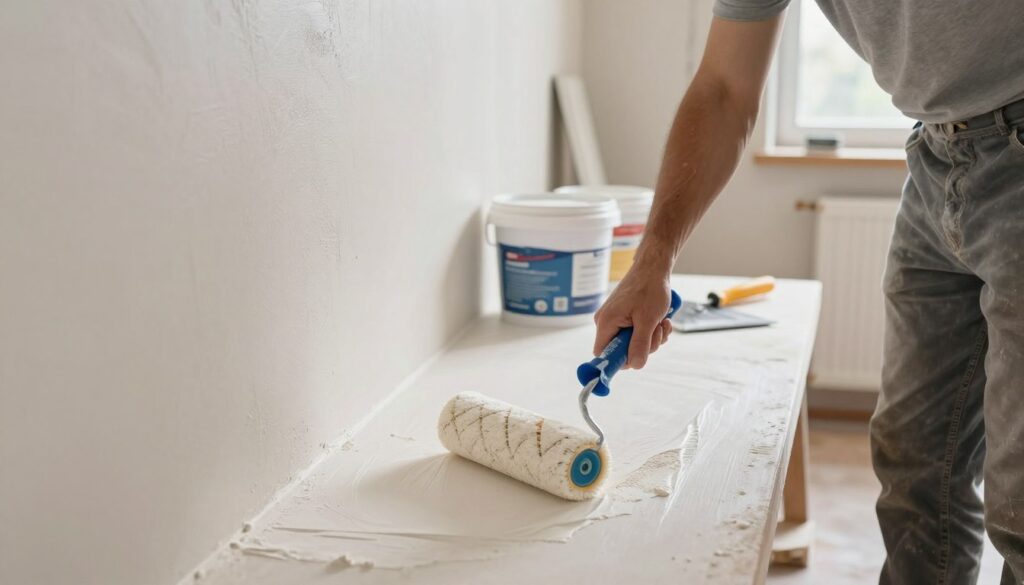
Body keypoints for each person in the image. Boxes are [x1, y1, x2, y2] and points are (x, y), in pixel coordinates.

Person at [592, 2, 1024, 583]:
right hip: (934, 155)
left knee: (1019, 500)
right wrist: (653, 261)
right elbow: (724, 89)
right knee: (917, 466)